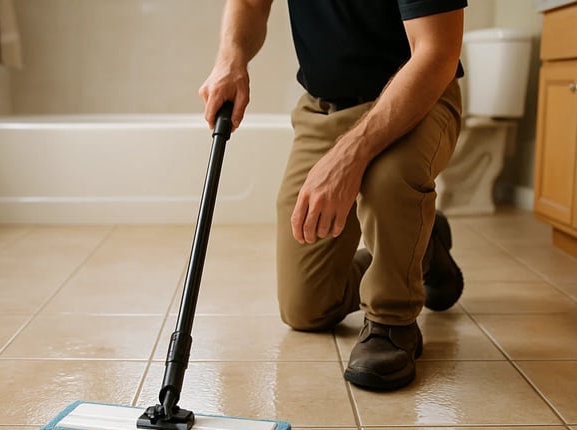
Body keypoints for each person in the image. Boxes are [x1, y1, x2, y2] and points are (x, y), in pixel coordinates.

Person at [199, 0, 467, 390]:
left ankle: (391, 321)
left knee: (387, 180)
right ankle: (422, 247)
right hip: (323, 108)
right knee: (306, 307)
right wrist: (231, 58)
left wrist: (350, 154)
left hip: (418, 98)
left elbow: (436, 53)